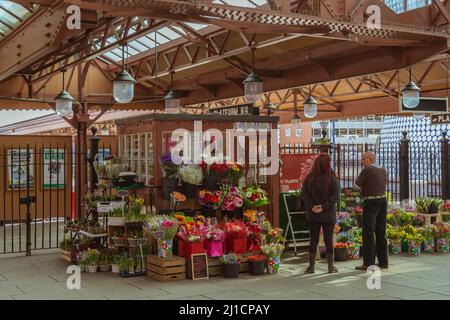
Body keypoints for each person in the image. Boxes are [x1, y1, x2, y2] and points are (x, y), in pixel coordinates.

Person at [301, 153, 340, 274]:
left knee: (314, 240)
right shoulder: (332, 178)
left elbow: (304, 194)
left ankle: (311, 267)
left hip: (313, 215)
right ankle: (330, 267)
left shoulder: (310, 178)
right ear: (328, 164)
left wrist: (313, 206)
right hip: (328, 214)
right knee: (328, 240)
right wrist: (323, 207)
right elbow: (335, 197)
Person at [354, 151, 388, 271]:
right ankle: (383, 262)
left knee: (368, 232)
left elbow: (356, 186)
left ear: (370, 159)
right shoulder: (383, 169)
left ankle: (368, 263)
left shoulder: (367, 170)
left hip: (371, 202)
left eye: (363, 159)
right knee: (381, 231)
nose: (362, 161)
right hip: (383, 201)